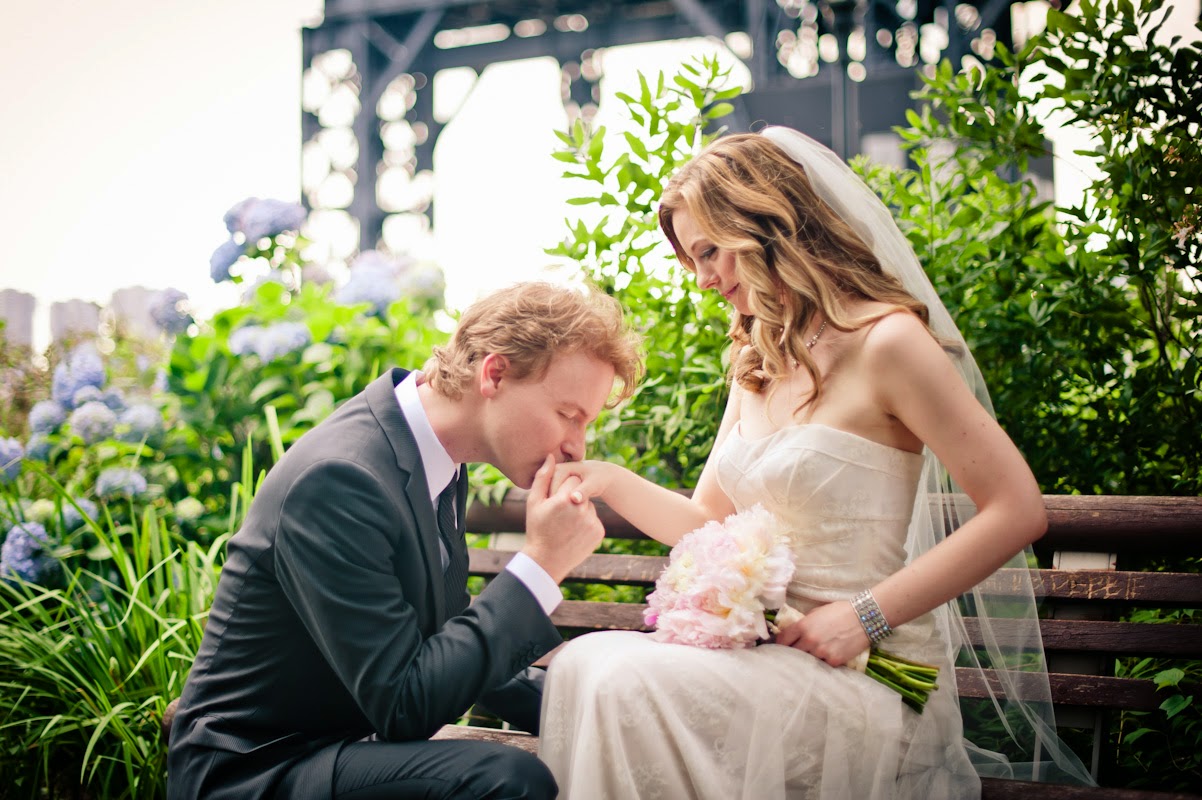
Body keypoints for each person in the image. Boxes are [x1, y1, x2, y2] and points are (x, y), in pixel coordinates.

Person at [538, 129, 1094, 798]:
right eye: (691, 262)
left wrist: (865, 615)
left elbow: (1016, 509)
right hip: (767, 663)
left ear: (765, 222)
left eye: (709, 251)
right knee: (582, 665)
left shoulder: (888, 344)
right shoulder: (756, 359)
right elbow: (705, 518)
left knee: (625, 679)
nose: (703, 278)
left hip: (868, 678)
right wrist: (604, 480)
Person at [167, 282, 643, 800]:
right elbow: (404, 706)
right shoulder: (339, 479)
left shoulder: (436, 459)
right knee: (509, 781)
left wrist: (590, 706)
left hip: (333, 748)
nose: (577, 446)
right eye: (568, 415)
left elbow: (442, 633)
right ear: (495, 373)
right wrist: (542, 563)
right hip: (253, 771)